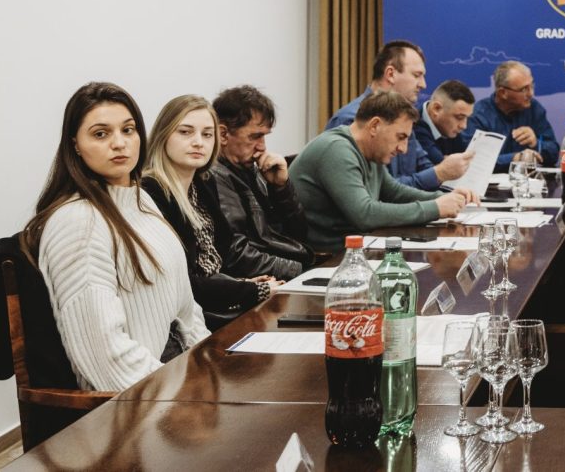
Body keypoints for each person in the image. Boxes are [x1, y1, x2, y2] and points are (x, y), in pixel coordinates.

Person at [22, 82, 209, 391]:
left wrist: (211, 368)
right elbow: (106, 360)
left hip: (179, 372)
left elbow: (188, 312)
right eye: (100, 134)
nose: (120, 143)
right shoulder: (77, 222)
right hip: (139, 397)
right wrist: (184, 394)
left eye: (128, 130)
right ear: (75, 145)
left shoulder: (141, 199)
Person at [142, 95, 280, 331]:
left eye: (207, 134)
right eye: (185, 132)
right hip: (181, 322)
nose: (198, 142)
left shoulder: (203, 182)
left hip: (213, 307)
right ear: (163, 135)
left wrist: (240, 283)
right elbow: (184, 283)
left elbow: (217, 259)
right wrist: (251, 290)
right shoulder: (151, 192)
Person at [290, 92, 475, 253]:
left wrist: (444, 198)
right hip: (325, 259)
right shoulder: (336, 149)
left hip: (356, 251)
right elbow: (365, 214)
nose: (403, 149)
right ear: (375, 126)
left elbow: (394, 192)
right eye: (400, 137)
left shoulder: (370, 152)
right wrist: (435, 208)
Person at [325, 40, 473, 189]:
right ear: (390, 74)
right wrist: (440, 173)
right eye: (417, 75)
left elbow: (423, 167)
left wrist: (449, 187)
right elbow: (382, 190)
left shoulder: (404, 118)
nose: (423, 84)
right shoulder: (351, 120)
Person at [210, 85, 313, 280]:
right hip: (262, 282)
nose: (262, 146)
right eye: (255, 136)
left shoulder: (251, 169)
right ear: (223, 135)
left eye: (264, 136)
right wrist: (298, 271)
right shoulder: (215, 177)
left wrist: (281, 187)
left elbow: (298, 234)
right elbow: (236, 256)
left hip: (281, 271)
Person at [465, 61, 560, 172]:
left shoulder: (534, 109)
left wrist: (536, 143)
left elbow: (554, 154)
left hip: (527, 181)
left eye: (531, 86)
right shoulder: (479, 115)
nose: (531, 94)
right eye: (524, 89)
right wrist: (514, 158)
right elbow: (475, 160)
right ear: (503, 93)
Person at [415, 79, 475, 164]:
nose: (463, 126)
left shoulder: (450, 129)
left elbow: (472, 161)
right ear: (436, 109)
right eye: (459, 117)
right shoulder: (413, 125)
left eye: (467, 118)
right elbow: (444, 166)